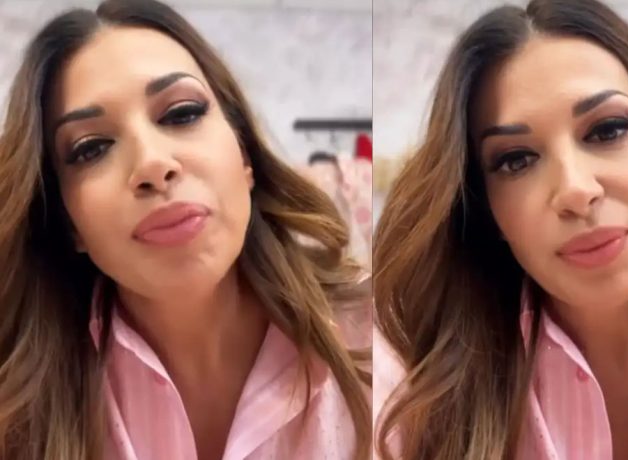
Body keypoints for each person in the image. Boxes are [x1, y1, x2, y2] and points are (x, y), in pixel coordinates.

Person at [373, 0, 628, 459]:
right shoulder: (415, 396)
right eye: (516, 160)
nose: (576, 190)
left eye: (607, 131)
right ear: (488, 207)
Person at [0, 0, 371, 458]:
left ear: (244, 155)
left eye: (181, 113)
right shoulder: (19, 410)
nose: (153, 164)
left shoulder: (382, 341)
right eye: (91, 148)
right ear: (67, 220)